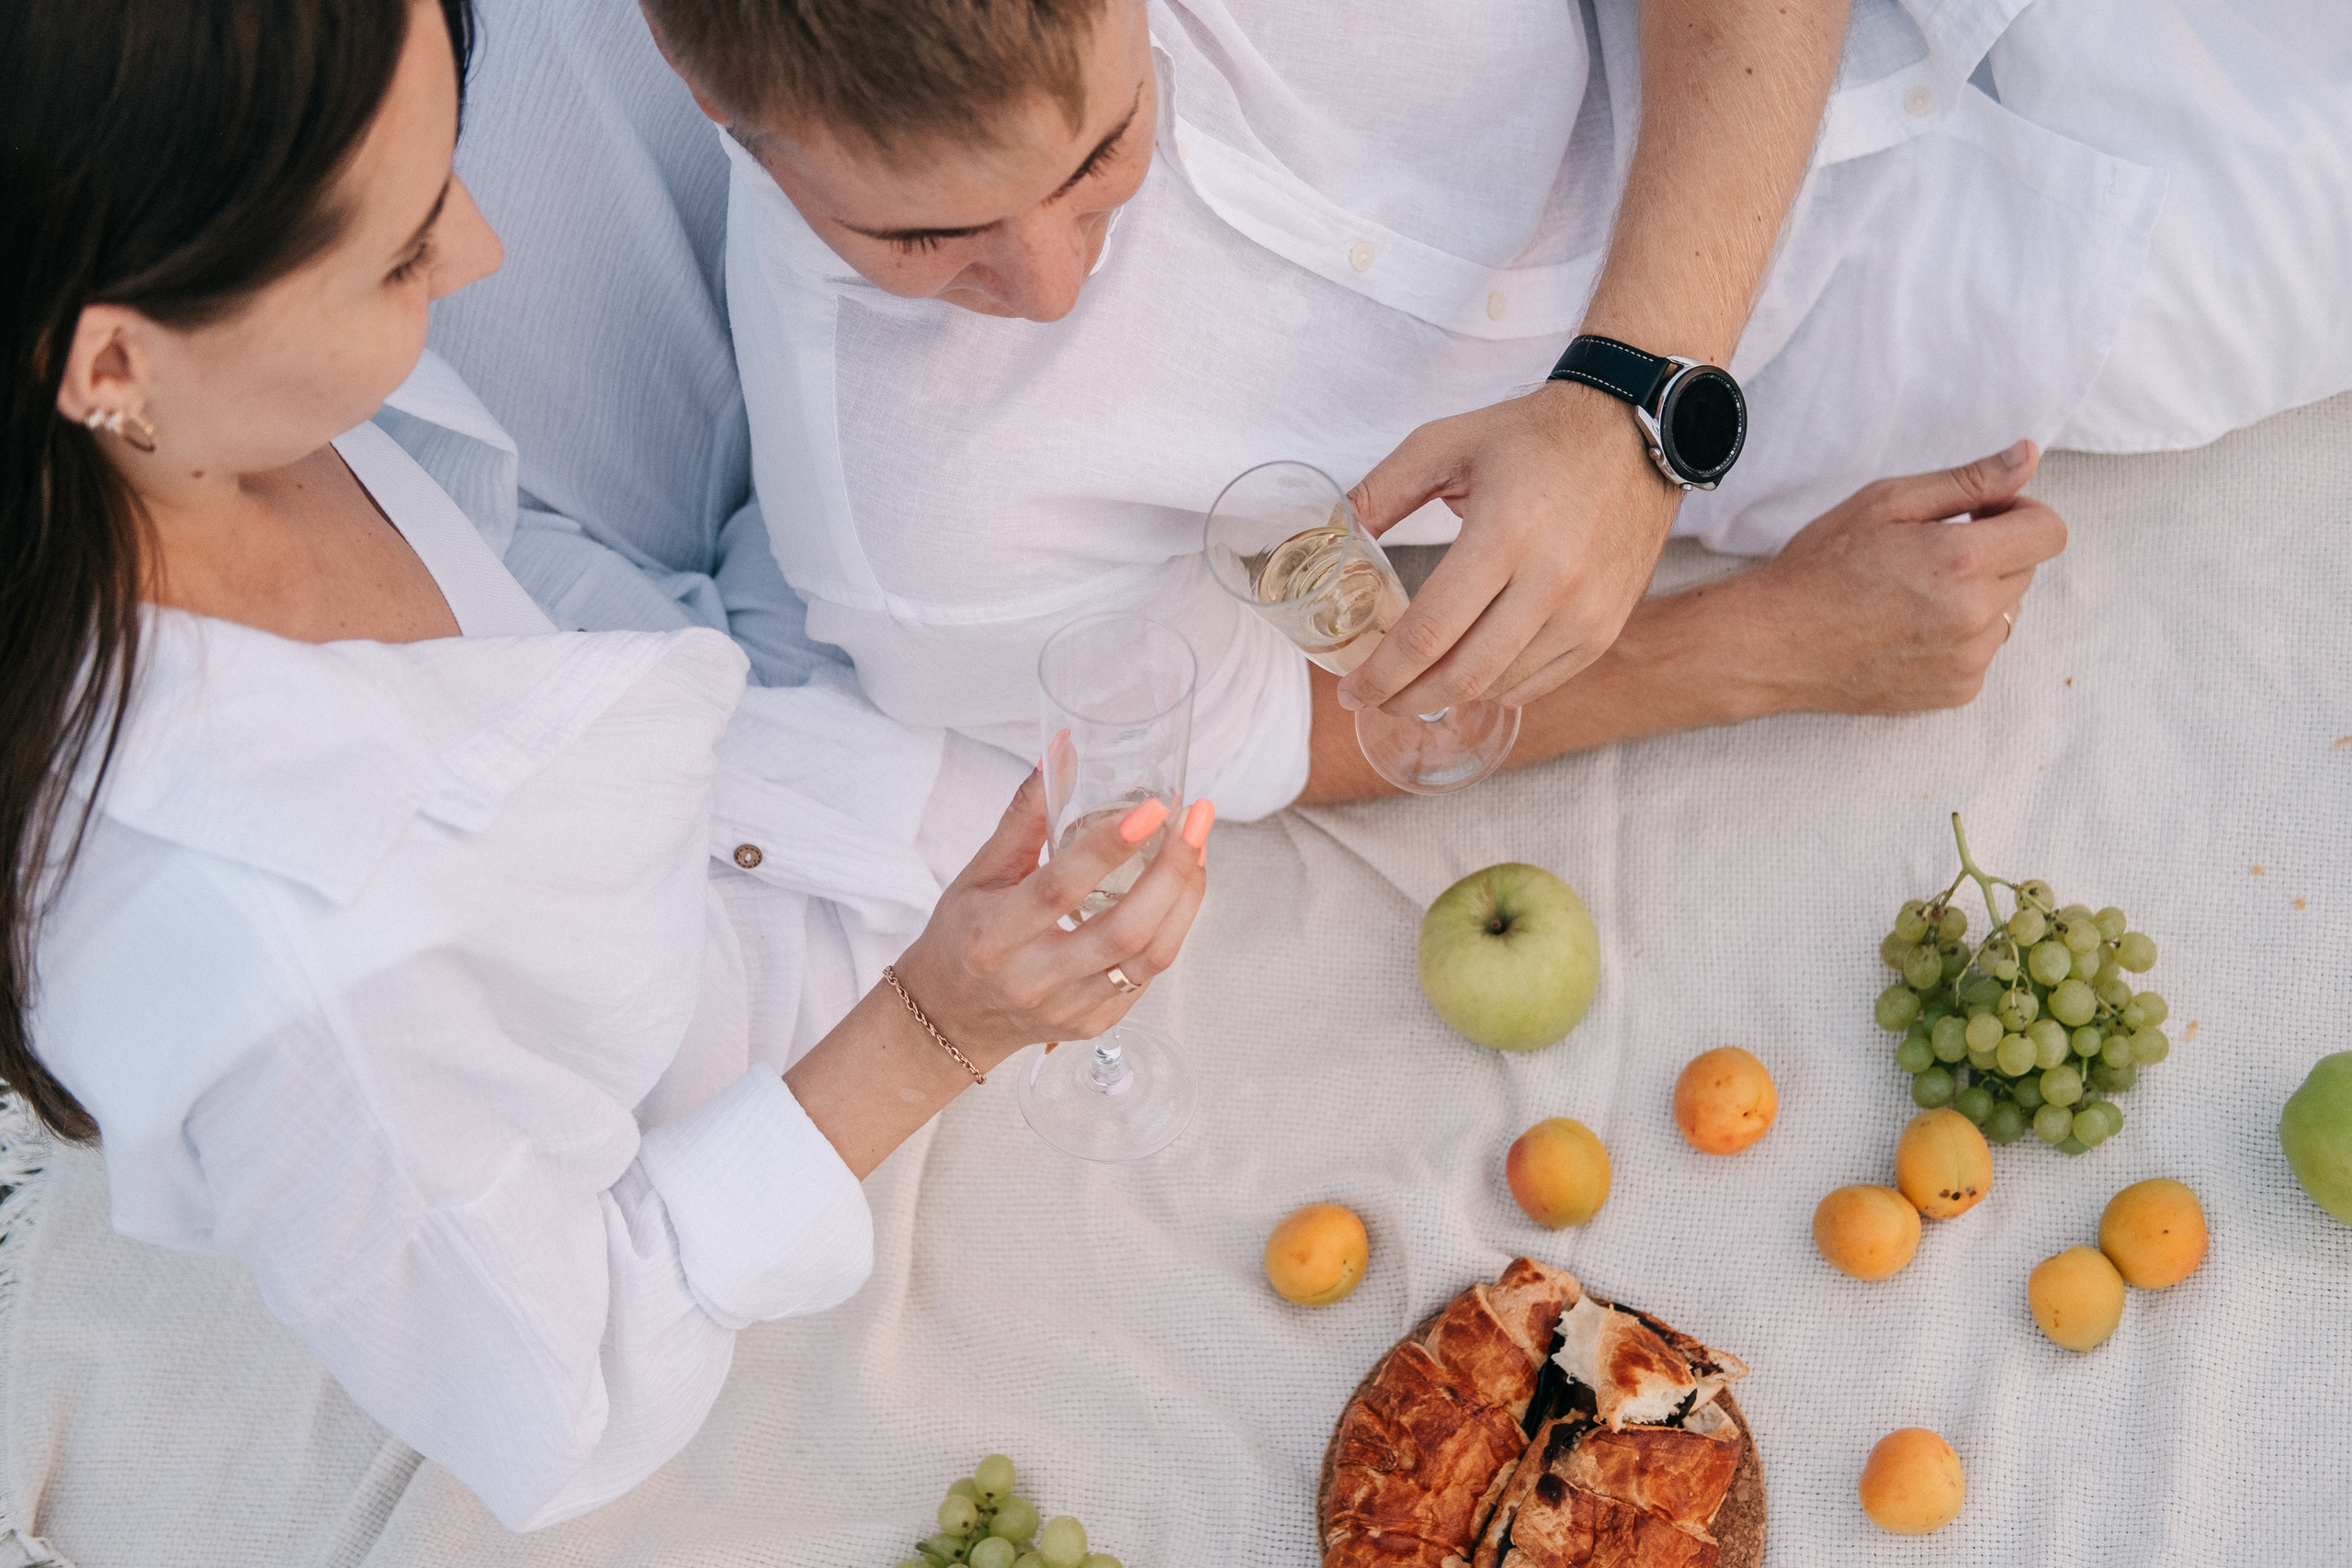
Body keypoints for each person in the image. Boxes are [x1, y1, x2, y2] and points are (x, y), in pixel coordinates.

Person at [1, 0, 1210, 1531]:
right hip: (760, 1072)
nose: (480, 249)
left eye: (444, 173)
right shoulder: (294, 971)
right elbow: (564, 1401)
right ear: (112, 361)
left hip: (753, 772)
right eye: (401, 253)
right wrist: (932, 1028)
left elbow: (533, 598)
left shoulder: (201, 421)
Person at [432, 0, 2347, 832]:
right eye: (921, 237)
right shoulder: (911, 531)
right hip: (2022, 305)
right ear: (705, 90)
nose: (1049, 281)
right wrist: (1761, 648)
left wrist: (1628, 396)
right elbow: (1244, 735)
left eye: (1098, 152)